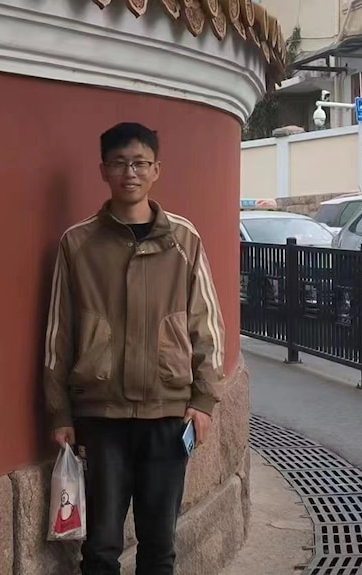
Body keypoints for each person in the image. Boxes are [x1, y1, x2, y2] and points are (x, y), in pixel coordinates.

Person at [43, 122, 226, 575]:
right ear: (103, 170)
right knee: (101, 546)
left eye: (141, 163)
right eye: (120, 163)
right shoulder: (78, 243)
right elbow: (57, 334)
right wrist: (60, 413)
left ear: (156, 170)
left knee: (159, 545)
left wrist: (203, 401)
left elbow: (207, 326)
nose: (131, 173)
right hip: (101, 418)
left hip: (168, 415)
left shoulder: (184, 240)